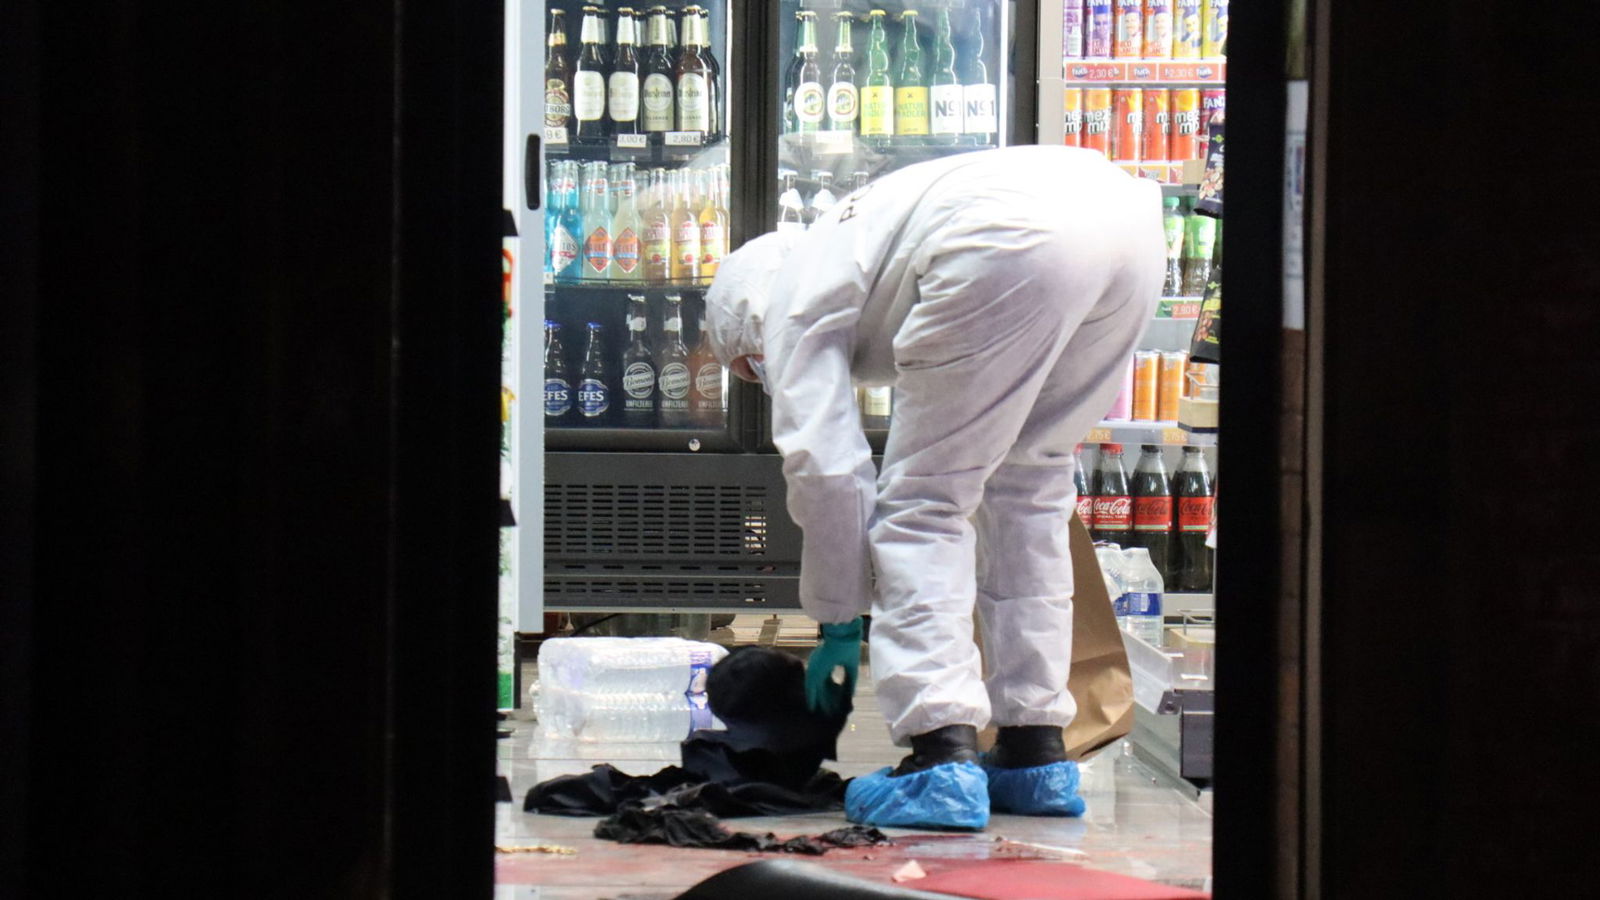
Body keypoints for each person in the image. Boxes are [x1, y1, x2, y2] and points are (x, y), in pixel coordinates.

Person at [704, 146, 1163, 830]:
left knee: (924, 504)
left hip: (1005, 238)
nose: (761, 377)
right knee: (1030, 490)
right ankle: (1035, 749)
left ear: (744, 325)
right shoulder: (848, 243)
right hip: (1128, 226)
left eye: (750, 369)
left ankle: (940, 754)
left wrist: (835, 616)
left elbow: (829, 472)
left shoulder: (783, 299)